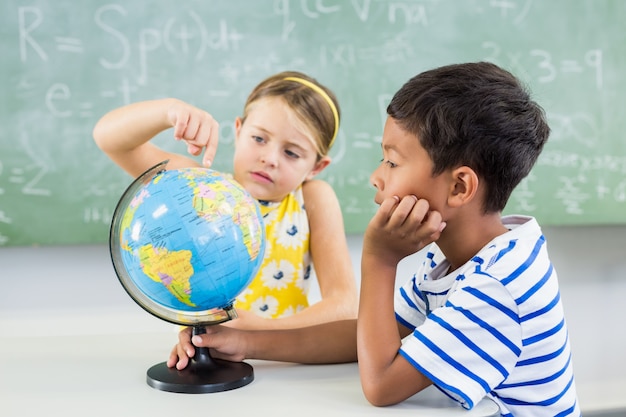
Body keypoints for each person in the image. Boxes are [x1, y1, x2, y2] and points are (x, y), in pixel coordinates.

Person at [168, 62, 580, 416]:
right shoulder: (460, 262)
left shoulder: (499, 284)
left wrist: (380, 261)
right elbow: (367, 336)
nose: (376, 176)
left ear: (459, 188)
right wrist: (245, 342)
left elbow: (381, 384)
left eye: (392, 161)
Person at [93, 71, 358, 330]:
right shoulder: (195, 187)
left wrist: (261, 335)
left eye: (291, 152)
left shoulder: (312, 199)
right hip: (211, 354)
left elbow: (345, 306)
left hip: (284, 362)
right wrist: (169, 110)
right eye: (258, 138)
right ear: (239, 130)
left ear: (316, 167)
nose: (270, 158)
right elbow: (109, 139)